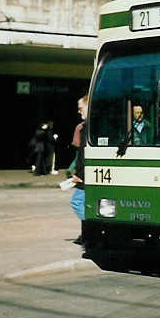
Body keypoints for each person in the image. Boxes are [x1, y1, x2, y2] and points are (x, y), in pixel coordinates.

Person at [70, 96, 88, 245]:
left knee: (77, 201)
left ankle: (90, 229)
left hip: (85, 174)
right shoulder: (85, 127)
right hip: (85, 173)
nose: (79, 111)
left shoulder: (84, 128)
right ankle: (86, 233)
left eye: (81, 107)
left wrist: (79, 174)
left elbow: (82, 155)